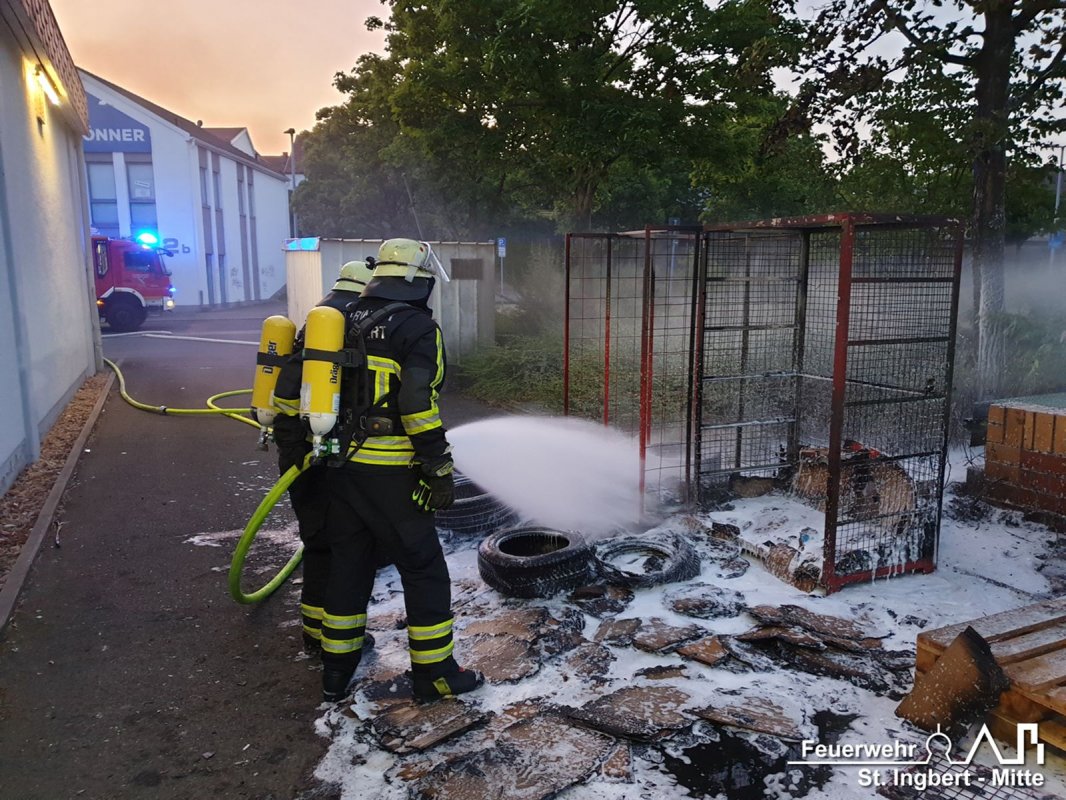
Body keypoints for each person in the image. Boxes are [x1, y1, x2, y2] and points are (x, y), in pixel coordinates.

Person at [317, 238, 484, 703]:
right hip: (391, 471)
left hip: (340, 467)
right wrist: (436, 464)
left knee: (350, 562)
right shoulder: (416, 327)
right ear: (417, 281)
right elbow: (417, 403)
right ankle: (436, 674)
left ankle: (336, 670)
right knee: (423, 567)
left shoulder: (341, 318)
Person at [271, 260, 375, 655]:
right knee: (344, 548)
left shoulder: (314, 323)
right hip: (326, 455)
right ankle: (338, 640)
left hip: (297, 452)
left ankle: (314, 632)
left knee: (317, 545)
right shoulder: (346, 323)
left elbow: (284, 394)